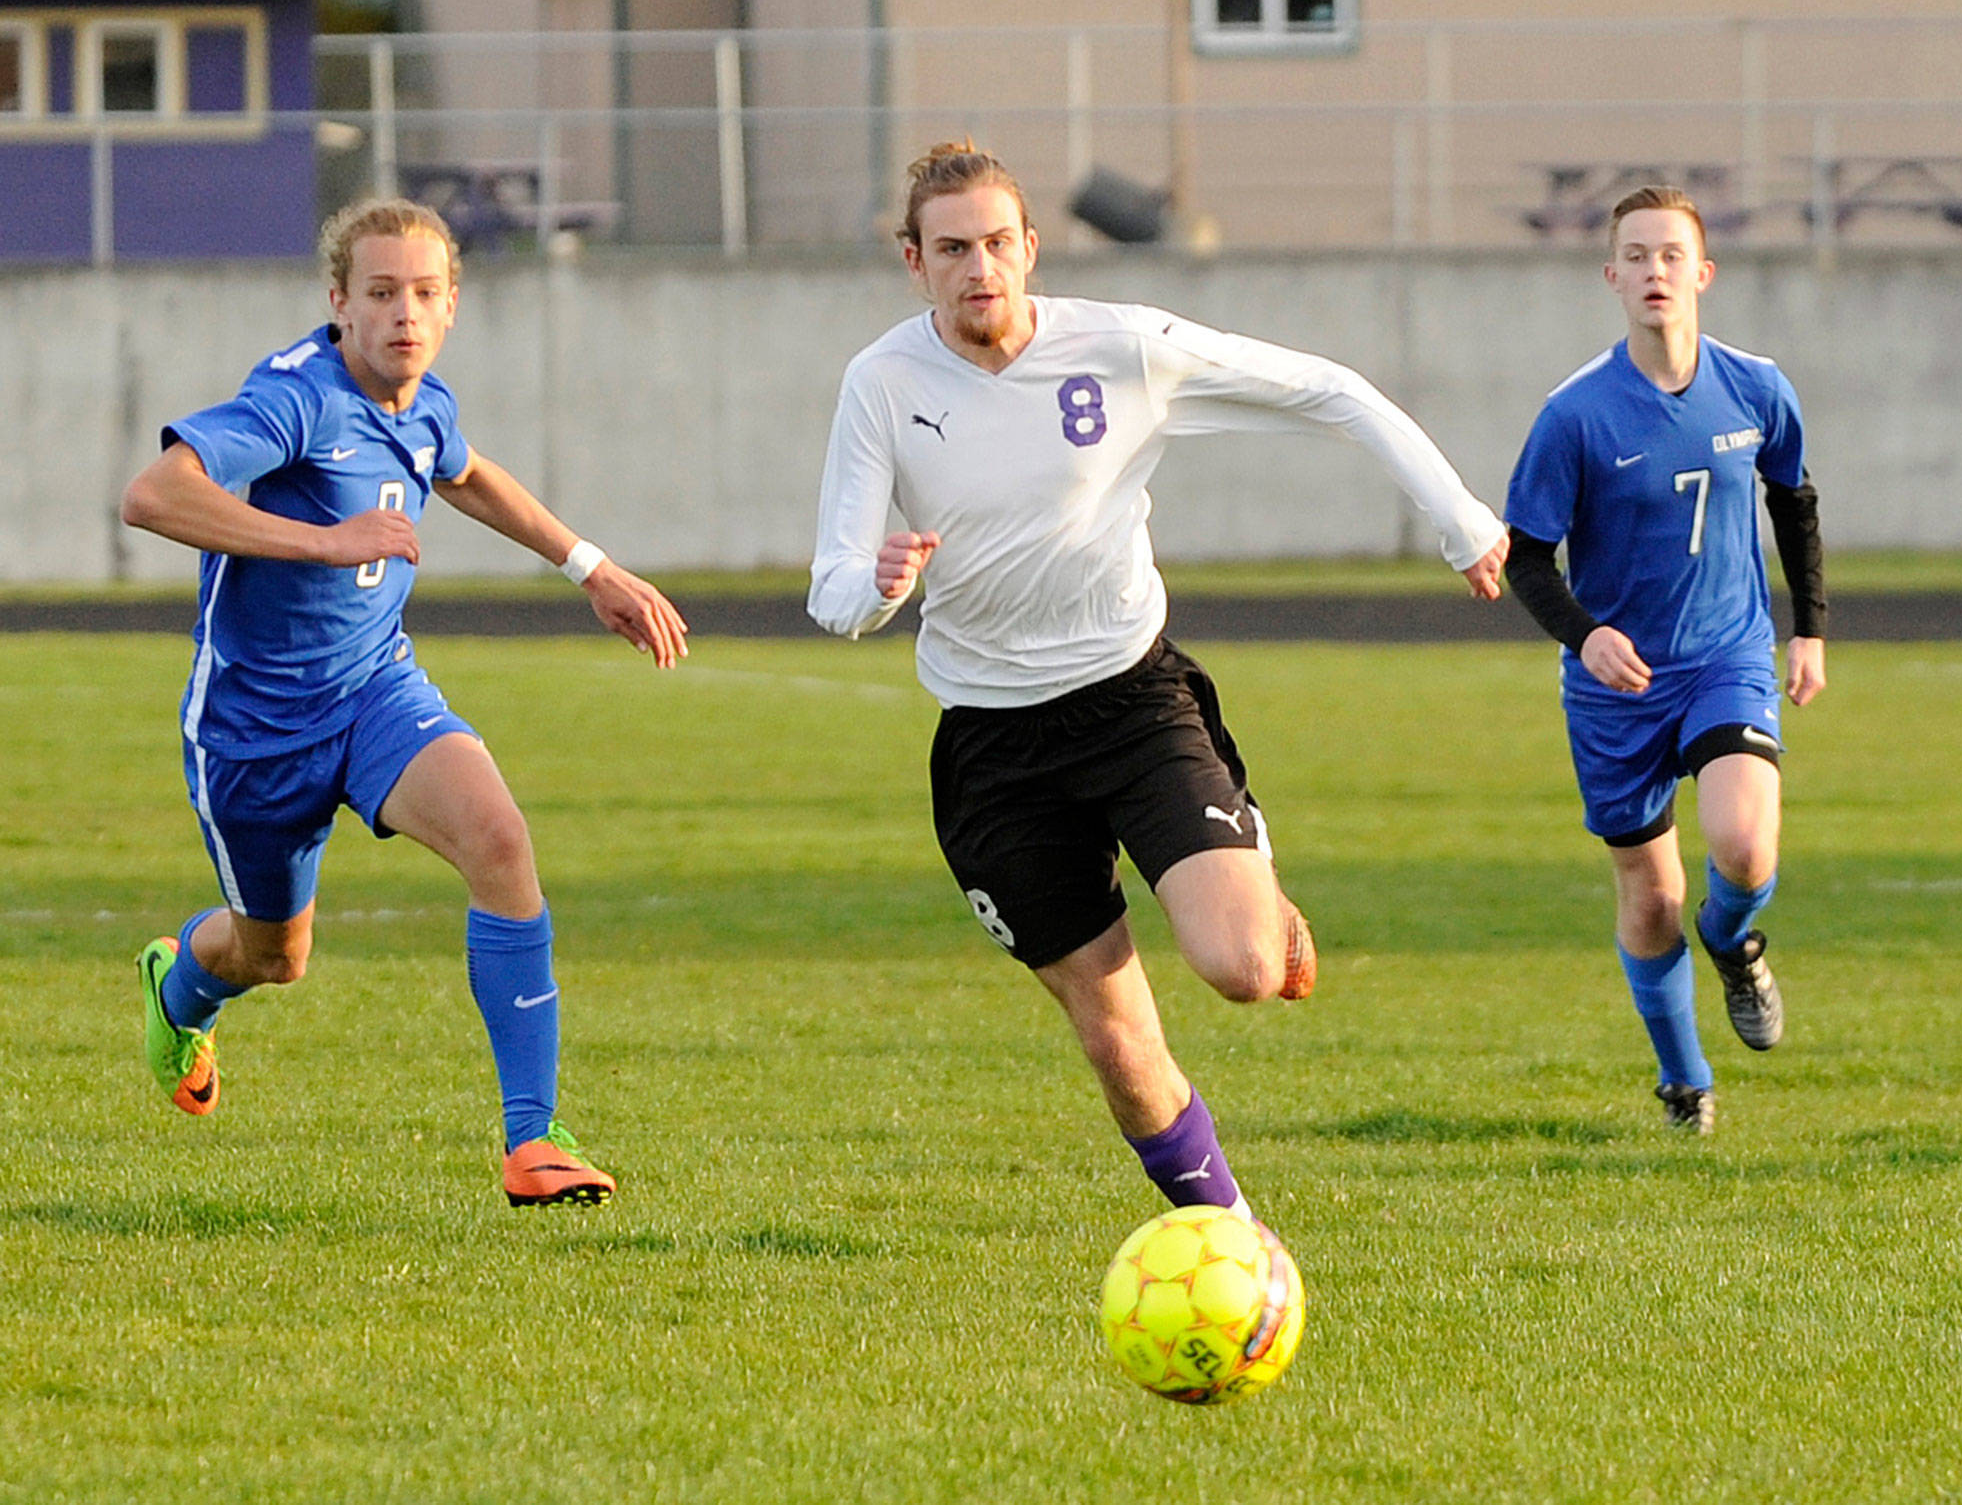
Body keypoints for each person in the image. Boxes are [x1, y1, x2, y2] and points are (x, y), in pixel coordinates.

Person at [808, 142, 1508, 1218]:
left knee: (1242, 969)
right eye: (951, 249)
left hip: (1131, 705)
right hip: (992, 750)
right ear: (914, 262)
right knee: (1117, 1043)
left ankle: (1249, 867)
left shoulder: (1124, 346)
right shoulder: (881, 384)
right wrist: (880, 582)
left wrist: (1458, 517)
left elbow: (1329, 390)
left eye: (997, 243)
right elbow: (832, 592)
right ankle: (1222, 1239)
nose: (978, 267)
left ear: (1030, 249)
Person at [120, 199, 690, 1206]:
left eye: (425, 294)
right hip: (254, 732)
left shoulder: (424, 405)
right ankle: (180, 988)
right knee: (273, 958)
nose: (404, 315)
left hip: (376, 691)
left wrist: (587, 566)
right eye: (380, 294)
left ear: (452, 304)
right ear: (338, 303)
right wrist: (323, 540)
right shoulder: (294, 398)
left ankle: (534, 1140)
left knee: (500, 841)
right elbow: (155, 495)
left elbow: (464, 474)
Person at [1502, 185, 1828, 1134]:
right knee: (1652, 896)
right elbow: (1526, 553)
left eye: (1671, 256)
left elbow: (1792, 500)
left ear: (1703, 273)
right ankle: (1686, 1082)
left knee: (1742, 843)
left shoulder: (1757, 386)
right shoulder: (1576, 414)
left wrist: (1808, 627)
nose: (1655, 272)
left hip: (1727, 655)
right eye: (1636, 256)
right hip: (1619, 687)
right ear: (1611, 277)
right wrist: (1585, 634)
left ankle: (1733, 943)